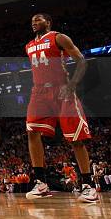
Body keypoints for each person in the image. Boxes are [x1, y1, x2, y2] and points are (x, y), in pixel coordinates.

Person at [24, 13, 98, 203]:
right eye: (32, 20)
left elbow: (81, 60)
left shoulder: (58, 37)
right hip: (39, 92)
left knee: (76, 139)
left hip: (62, 89)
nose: (34, 22)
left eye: (38, 19)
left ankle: (88, 186)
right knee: (32, 132)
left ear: (48, 22)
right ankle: (41, 182)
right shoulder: (29, 46)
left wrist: (72, 84)